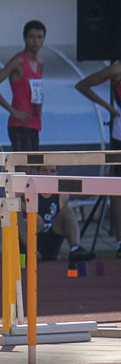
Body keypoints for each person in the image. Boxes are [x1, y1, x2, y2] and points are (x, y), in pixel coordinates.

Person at [74, 61, 121, 257]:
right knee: (118, 188)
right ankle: (120, 241)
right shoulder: (117, 69)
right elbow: (83, 85)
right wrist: (109, 108)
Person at [0, 20, 46, 151]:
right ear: (25, 38)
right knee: (23, 168)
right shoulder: (19, 61)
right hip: (20, 124)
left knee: (34, 168)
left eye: (40, 37)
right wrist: (14, 111)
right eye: (32, 37)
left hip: (34, 123)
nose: (36, 41)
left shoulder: (40, 63)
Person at [18, 165, 96, 267]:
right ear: (37, 172)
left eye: (52, 171)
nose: (48, 174)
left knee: (67, 210)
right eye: (44, 170)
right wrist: (31, 213)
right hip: (30, 239)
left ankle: (75, 248)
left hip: (51, 240)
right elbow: (7, 197)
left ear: (56, 174)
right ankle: (33, 252)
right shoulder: (28, 189)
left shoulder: (62, 195)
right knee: (14, 212)